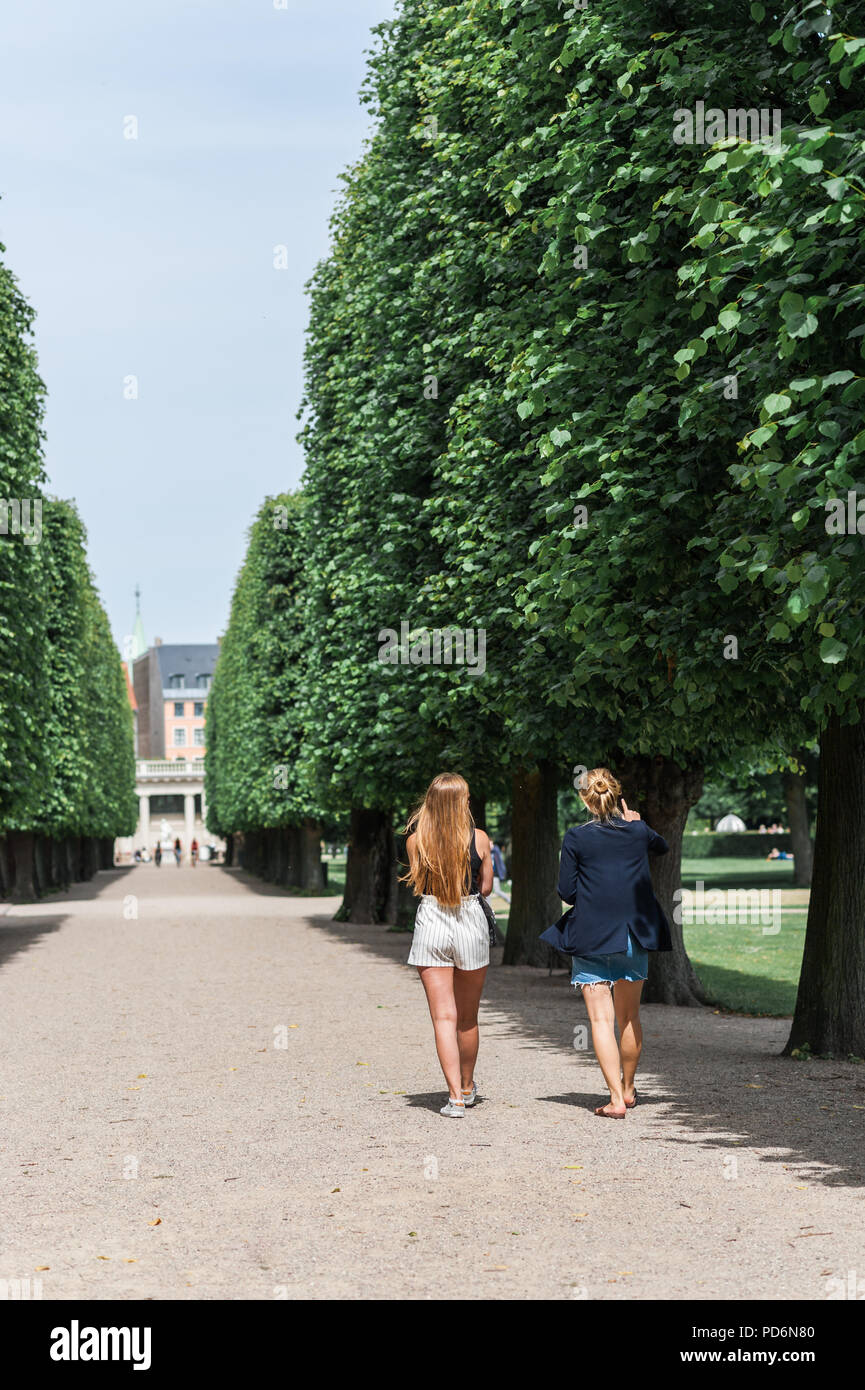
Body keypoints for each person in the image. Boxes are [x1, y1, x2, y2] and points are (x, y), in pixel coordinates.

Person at [540, 767, 671, 1119]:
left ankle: (614, 1098)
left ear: (585, 798)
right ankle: (628, 1089)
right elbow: (662, 846)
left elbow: (566, 891)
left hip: (592, 935)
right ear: (616, 794)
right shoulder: (638, 831)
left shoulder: (576, 837)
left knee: (600, 1021)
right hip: (633, 935)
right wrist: (636, 821)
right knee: (629, 1017)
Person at [404, 773, 494, 1118]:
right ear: (462, 802)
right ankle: (468, 1087)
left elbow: (418, 883)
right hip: (470, 917)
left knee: (443, 1017)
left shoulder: (416, 841)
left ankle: (454, 1097)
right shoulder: (480, 838)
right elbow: (485, 888)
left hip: (432, 918)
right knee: (467, 1019)